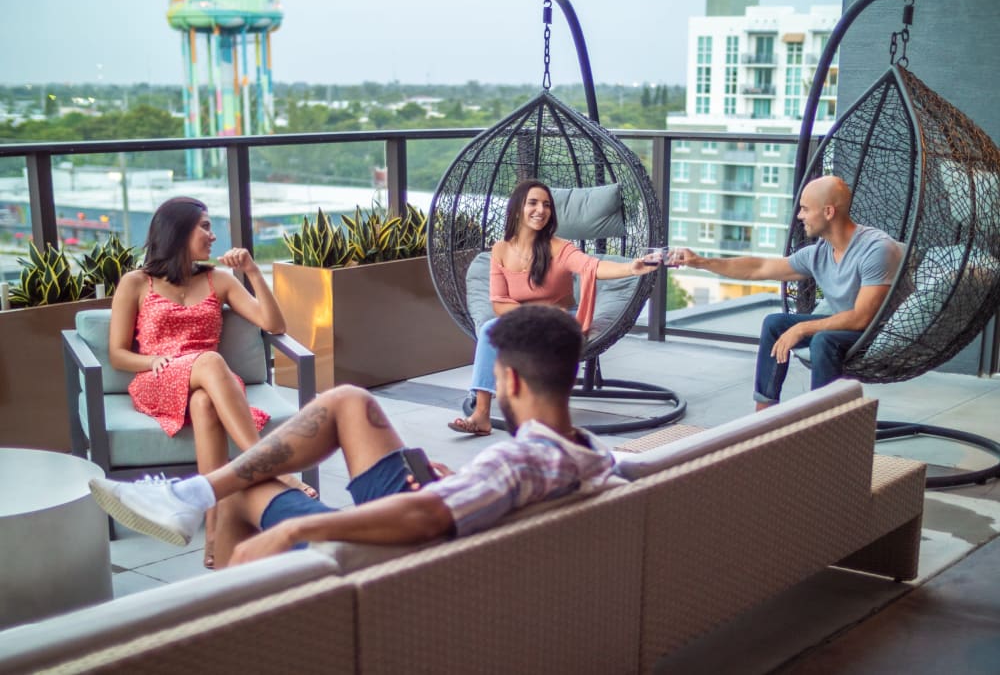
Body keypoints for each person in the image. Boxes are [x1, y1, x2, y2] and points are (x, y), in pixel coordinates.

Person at [88, 305, 617, 567]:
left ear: (510, 380)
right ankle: (190, 497)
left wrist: (292, 532)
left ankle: (223, 611)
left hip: (402, 549)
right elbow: (468, 498)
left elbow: (428, 517)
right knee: (349, 401)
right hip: (441, 512)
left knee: (246, 492)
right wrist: (462, 483)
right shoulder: (591, 456)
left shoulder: (516, 465)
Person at [109, 196, 311, 569]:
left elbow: (275, 325)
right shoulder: (136, 283)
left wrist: (251, 271)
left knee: (204, 402)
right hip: (158, 378)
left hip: (211, 382)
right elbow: (118, 353)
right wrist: (154, 360)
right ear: (178, 231)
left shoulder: (218, 279)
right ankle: (268, 464)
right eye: (204, 226)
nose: (212, 235)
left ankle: (214, 533)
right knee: (211, 361)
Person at [670, 175, 901, 410]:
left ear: (828, 212)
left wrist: (802, 328)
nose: (800, 216)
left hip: (881, 333)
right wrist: (701, 262)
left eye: (805, 209)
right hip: (846, 327)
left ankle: (821, 425)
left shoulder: (876, 249)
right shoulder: (819, 253)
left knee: (823, 340)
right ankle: (763, 418)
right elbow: (758, 268)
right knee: (774, 323)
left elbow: (863, 318)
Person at [448, 178, 659, 436]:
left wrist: (631, 267)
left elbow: (591, 266)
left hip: (560, 321)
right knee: (491, 328)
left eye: (547, 205)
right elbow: (499, 303)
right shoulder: (501, 250)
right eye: (533, 203)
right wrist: (536, 314)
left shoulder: (559, 247)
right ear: (517, 209)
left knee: (498, 331)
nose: (541, 210)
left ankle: (535, 412)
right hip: (526, 320)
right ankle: (481, 415)